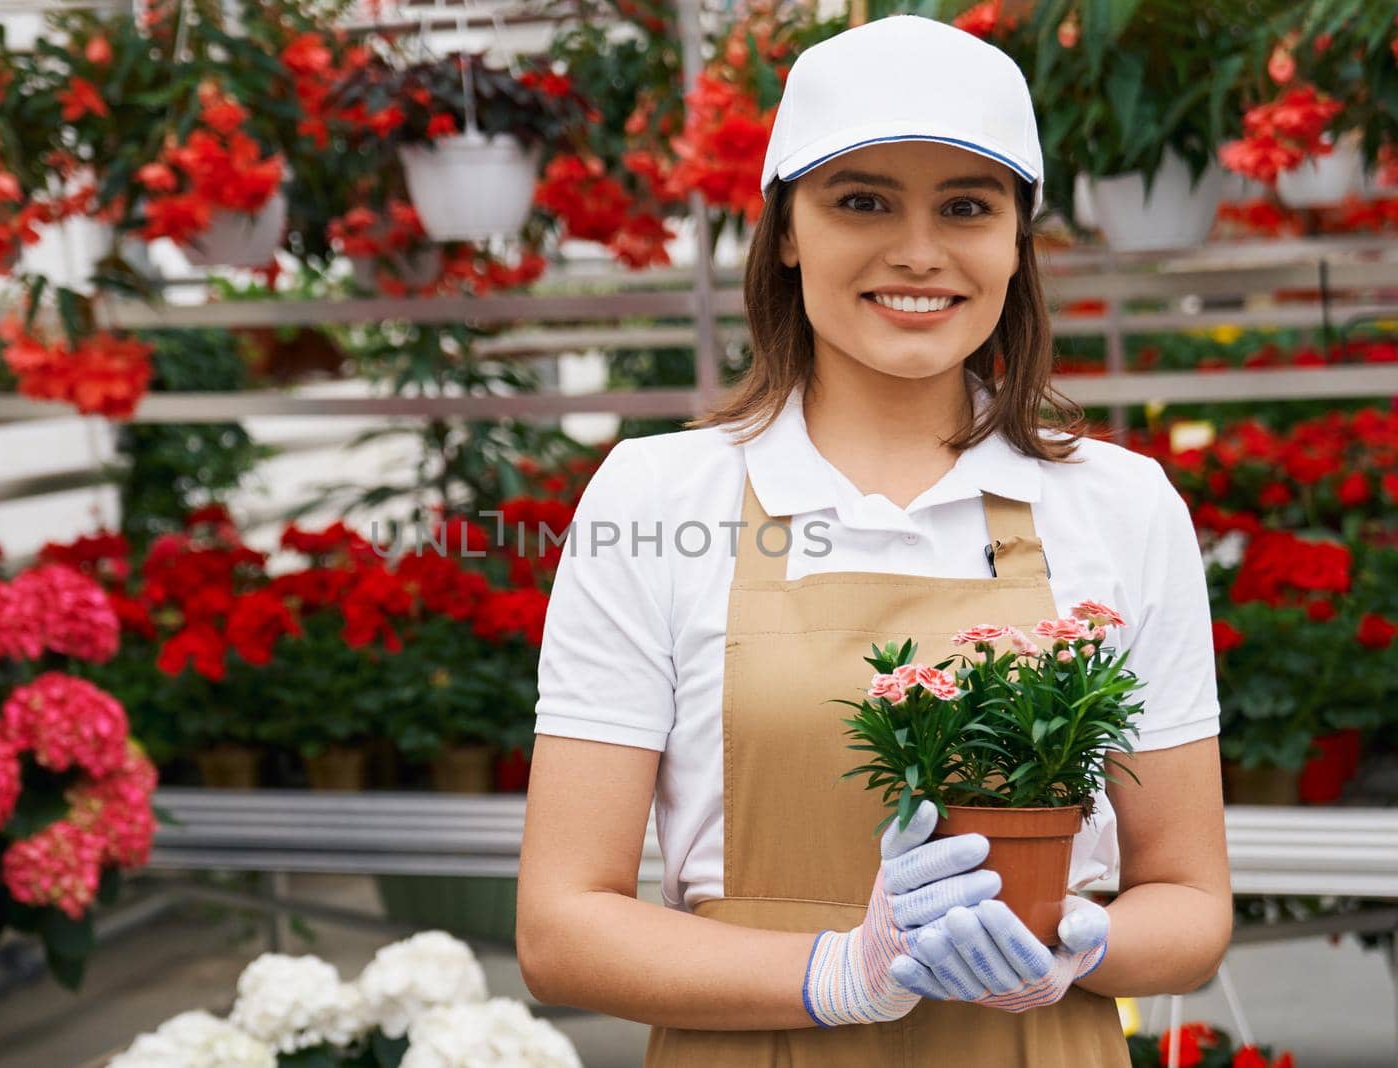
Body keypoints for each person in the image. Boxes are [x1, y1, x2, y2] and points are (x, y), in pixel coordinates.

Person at [515, 13, 1231, 1066]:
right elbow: (560, 927)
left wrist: (1076, 945)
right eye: (861, 201)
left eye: (966, 207)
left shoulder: (1119, 504)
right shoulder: (660, 496)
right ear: (788, 227)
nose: (918, 252)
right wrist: (841, 974)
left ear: (1015, 238)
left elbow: (1192, 905)